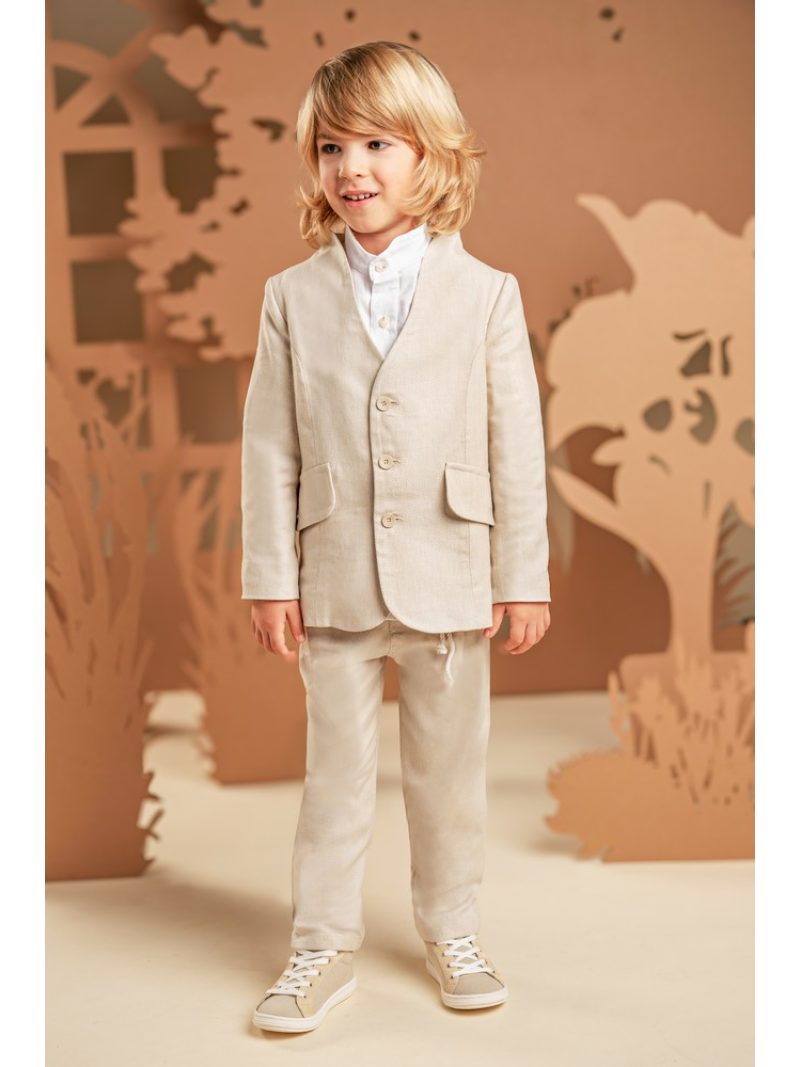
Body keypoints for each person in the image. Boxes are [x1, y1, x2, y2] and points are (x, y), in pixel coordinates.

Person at [241, 40, 551, 1034]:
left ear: (433, 154)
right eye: (332, 147)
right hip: (332, 574)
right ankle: (319, 945)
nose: (352, 168)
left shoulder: (486, 292)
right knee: (333, 777)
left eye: (378, 143)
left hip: (452, 571)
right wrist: (269, 575)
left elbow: (514, 443)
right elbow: (269, 444)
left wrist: (523, 575)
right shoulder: (290, 297)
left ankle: (452, 929)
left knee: (448, 778)